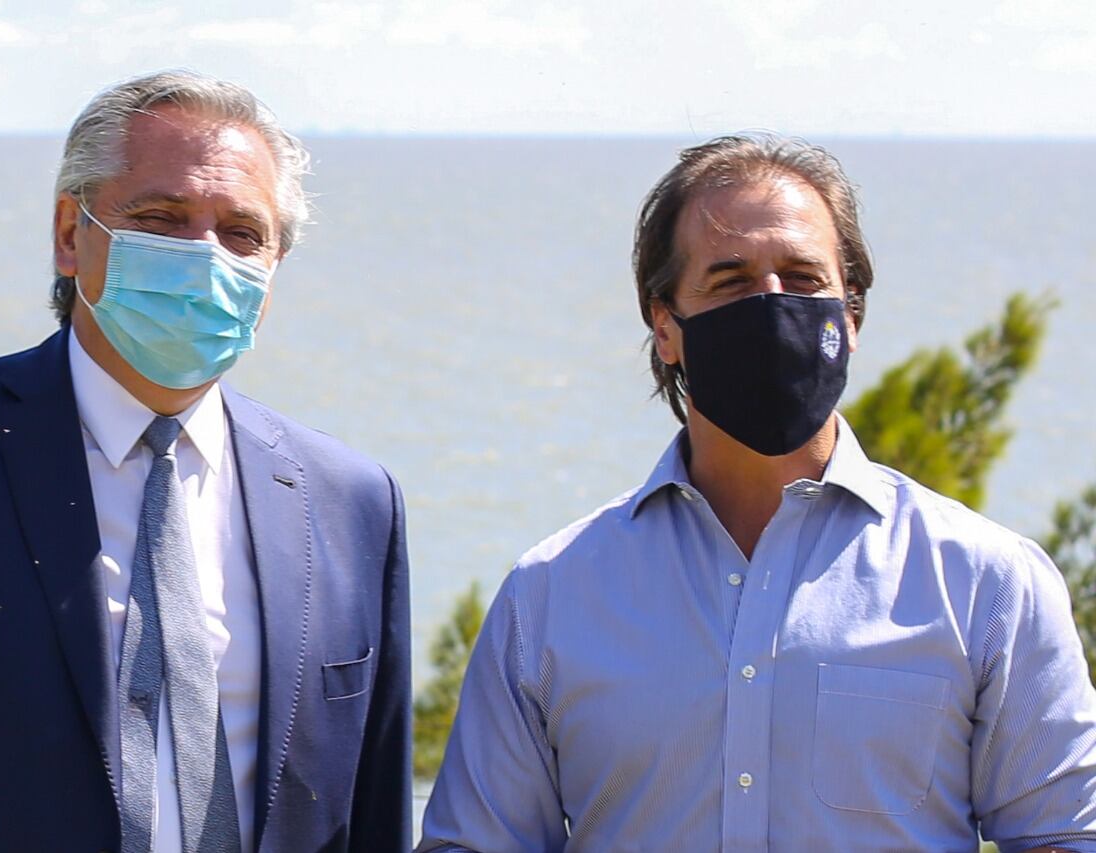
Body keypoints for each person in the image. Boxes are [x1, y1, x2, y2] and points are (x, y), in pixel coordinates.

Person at [419, 134, 1096, 851]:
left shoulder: (988, 583)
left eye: (803, 278)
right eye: (732, 279)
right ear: (665, 325)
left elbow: (1065, 835)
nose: (772, 304)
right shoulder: (551, 596)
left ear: (853, 316)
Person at [0, 70, 410, 853]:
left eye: (241, 233)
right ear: (71, 233)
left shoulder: (351, 501)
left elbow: (370, 816)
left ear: (273, 270)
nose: (203, 255)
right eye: (161, 218)